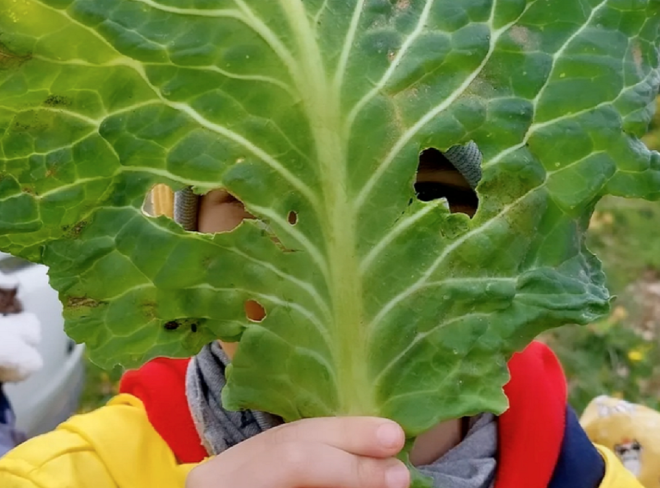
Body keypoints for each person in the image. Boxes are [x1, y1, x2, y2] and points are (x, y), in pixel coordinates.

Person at [0, 148, 640, 488]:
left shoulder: (579, 474)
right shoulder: (83, 473)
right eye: (255, 201)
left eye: (426, 189)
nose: (342, 253)